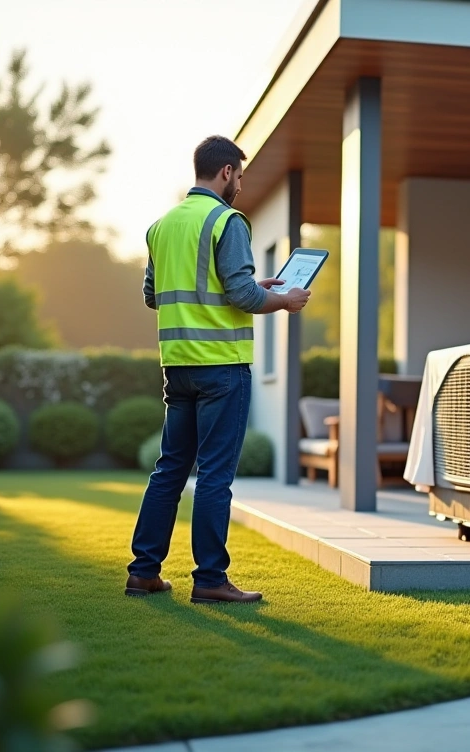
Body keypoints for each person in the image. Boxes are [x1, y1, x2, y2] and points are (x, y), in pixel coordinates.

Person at [125, 135, 310, 604]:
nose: (241, 185)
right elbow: (242, 297)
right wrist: (285, 299)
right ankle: (209, 580)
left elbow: (154, 295)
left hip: (178, 368)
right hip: (222, 369)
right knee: (214, 476)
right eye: (240, 176)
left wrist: (253, 285)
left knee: (169, 470)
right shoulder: (227, 221)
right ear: (226, 172)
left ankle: (143, 572)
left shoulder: (162, 226)